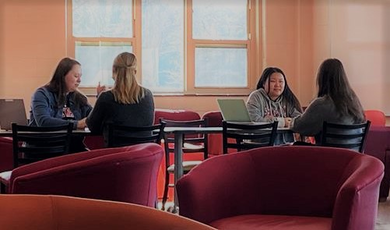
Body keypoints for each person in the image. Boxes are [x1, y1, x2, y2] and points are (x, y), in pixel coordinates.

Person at [86, 52, 154, 147]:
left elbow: (93, 127)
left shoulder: (106, 97)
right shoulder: (148, 95)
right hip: (143, 156)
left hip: (116, 157)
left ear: (114, 70)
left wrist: (98, 97)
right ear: (135, 71)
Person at [290, 58, 365, 144]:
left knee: (296, 145)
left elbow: (301, 127)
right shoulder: (354, 101)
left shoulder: (321, 104)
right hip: (353, 154)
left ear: (321, 78)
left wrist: (291, 121)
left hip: (329, 154)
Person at [29, 57, 93, 153]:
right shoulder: (42, 94)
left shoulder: (79, 98)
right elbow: (43, 121)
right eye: (76, 76)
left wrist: (100, 96)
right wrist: (77, 124)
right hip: (44, 150)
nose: (79, 80)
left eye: (80, 76)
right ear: (63, 75)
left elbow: (94, 116)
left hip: (70, 149)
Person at [246, 67, 303, 144]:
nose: (277, 85)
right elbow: (254, 120)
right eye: (272, 81)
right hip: (261, 145)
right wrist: (283, 122)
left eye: (281, 81)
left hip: (287, 145)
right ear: (263, 83)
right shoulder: (256, 97)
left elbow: (299, 119)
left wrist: (292, 122)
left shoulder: (287, 98)